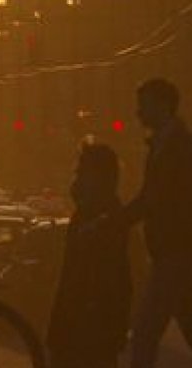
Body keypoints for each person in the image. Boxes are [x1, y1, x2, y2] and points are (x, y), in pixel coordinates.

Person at [109, 78, 192, 368]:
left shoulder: (182, 150)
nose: (138, 114)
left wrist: (114, 221)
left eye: (144, 106)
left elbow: (157, 200)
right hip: (175, 254)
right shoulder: (169, 146)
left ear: (163, 106)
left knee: (145, 332)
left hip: (176, 255)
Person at [47, 140, 131, 368]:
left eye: (82, 170)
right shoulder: (93, 213)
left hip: (88, 323)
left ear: (98, 175)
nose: (77, 175)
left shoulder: (102, 218)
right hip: (87, 322)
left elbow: (110, 276)